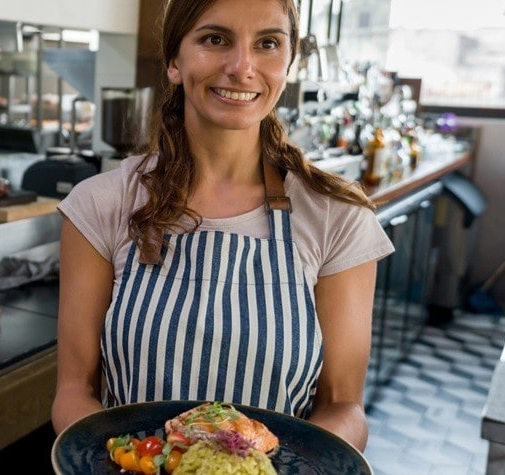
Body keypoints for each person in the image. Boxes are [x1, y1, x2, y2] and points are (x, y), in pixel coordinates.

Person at [51, 0, 394, 451]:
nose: (241, 67)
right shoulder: (100, 205)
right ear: (174, 61)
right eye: (215, 40)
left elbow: (343, 406)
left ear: (288, 64)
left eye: (267, 43)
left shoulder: (338, 218)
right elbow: (74, 391)